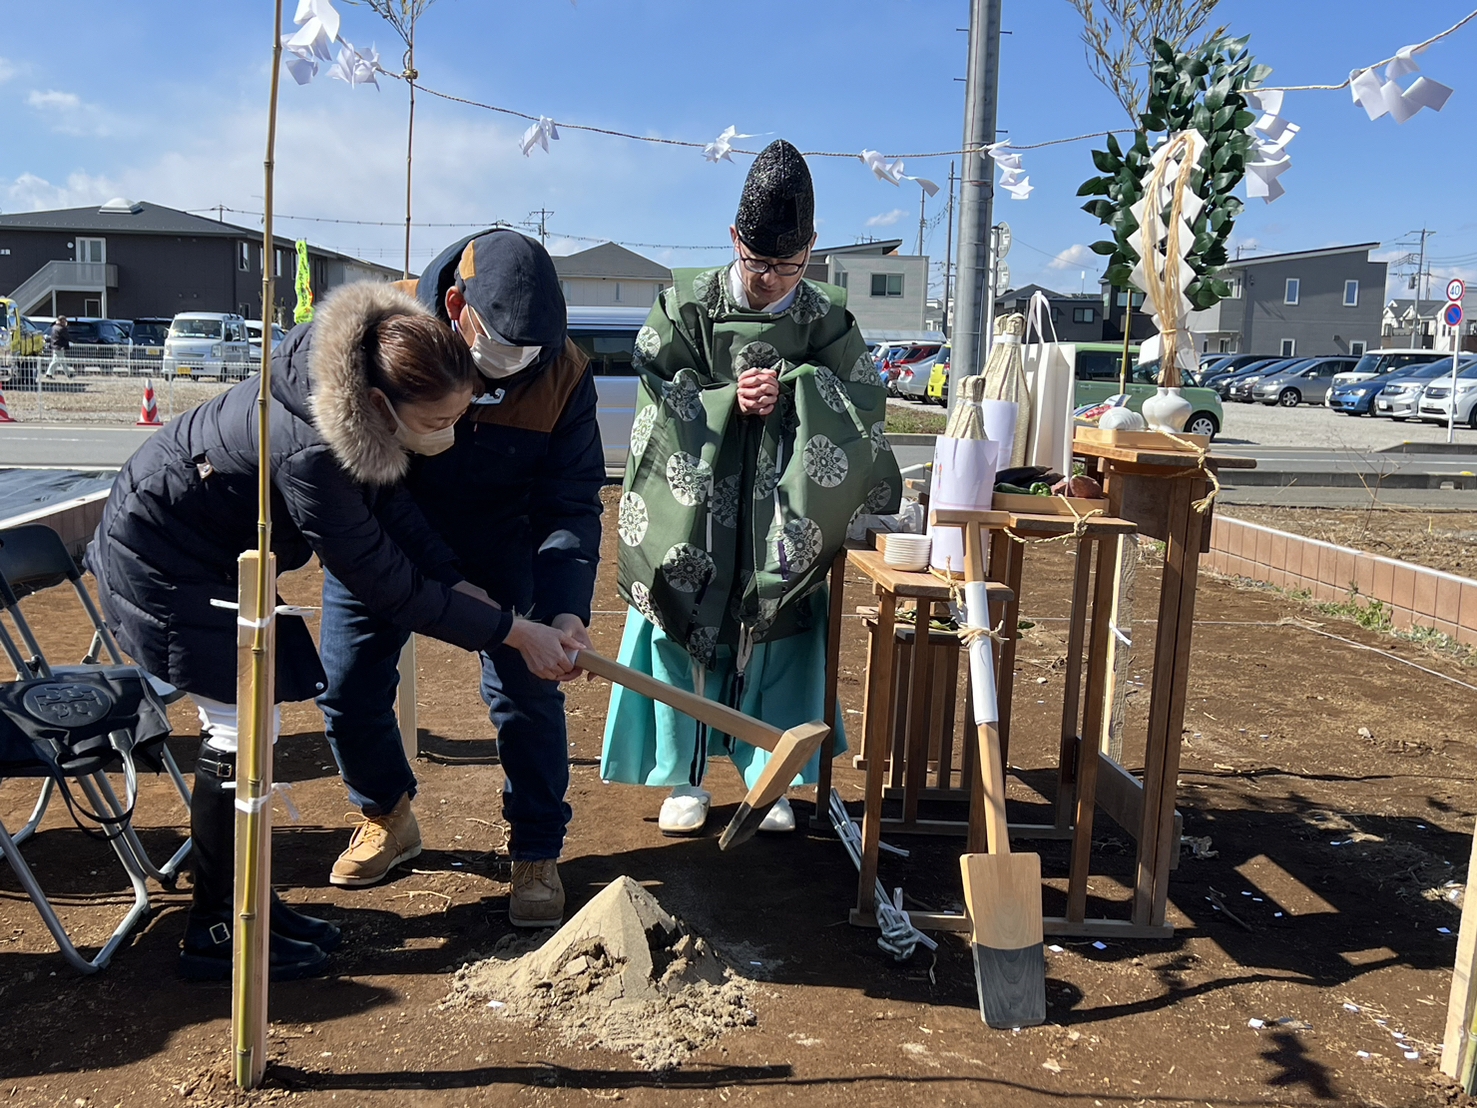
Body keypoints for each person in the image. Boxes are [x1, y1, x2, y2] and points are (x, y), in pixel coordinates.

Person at [87, 281, 582, 980]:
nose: (447, 434)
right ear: (381, 406)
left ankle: (250, 903)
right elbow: (384, 580)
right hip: (166, 565)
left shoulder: (349, 402)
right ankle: (218, 927)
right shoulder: (311, 448)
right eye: (437, 420)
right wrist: (504, 628)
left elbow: (391, 505)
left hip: (212, 559)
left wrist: (453, 576)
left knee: (253, 731)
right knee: (237, 735)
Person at [600, 139, 901, 834]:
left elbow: (861, 403)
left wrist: (796, 392)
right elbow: (652, 398)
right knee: (680, 621)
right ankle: (682, 776)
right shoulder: (685, 306)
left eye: (787, 265)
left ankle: (769, 769)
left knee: (780, 628)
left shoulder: (824, 316)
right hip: (694, 507)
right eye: (757, 261)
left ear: (812, 250)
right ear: (733, 239)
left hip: (781, 512)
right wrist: (720, 399)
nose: (770, 279)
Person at [317, 230, 604, 929]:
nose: (508, 372)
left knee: (528, 693)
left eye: (528, 355)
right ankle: (386, 816)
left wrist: (563, 609)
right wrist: (438, 578)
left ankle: (535, 849)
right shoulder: (389, 338)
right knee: (349, 685)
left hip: (500, 542)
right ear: (455, 306)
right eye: (500, 349)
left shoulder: (562, 372)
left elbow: (568, 501)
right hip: (385, 540)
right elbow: (355, 474)